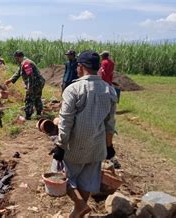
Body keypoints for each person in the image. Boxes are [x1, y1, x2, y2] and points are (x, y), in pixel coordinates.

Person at [50, 51, 117, 218]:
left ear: (80, 67)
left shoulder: (73, 89)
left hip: (74, 146)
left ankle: (80, 205)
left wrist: (60, 145)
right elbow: (110, 124)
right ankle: (78, 212)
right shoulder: (109, 90)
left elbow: (66, 121)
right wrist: (109, 147)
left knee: (60, 175)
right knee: (87, 179)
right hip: (97, 146)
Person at [5, 50, 46, 120]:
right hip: (39, 82)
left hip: (35, 83)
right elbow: (18, 73)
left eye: (16, 58)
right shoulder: (23, 62)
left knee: (29, 99)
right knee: (37, 97)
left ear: (18, 57)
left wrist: (29, 87)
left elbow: (30, 76)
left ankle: (28, 116)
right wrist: (10, 80)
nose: (15, 60)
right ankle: (39, 113)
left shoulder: (26, 63)